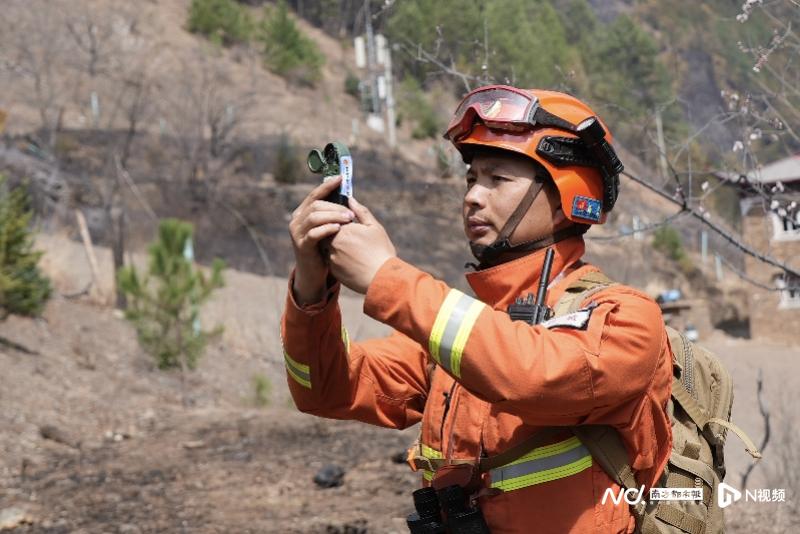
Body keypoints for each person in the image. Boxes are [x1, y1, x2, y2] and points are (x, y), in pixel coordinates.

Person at [281, 86, 673, 533]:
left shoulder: (625, 317)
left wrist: (386, 278)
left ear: (568, 196)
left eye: (498, 179)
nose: (472, 196)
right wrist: (312, 289)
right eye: (471, 179)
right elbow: (324, 388)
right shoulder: (457, 330)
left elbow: (532, 373)